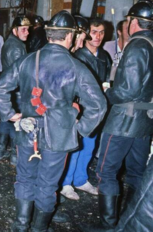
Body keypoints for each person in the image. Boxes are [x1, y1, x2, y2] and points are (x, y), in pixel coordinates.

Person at [0, 10, 107, 232]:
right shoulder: (76, 66)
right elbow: (99, 105)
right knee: (47, 184)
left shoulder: (28, 59)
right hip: (59, 135)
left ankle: (20, 225)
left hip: (27, 130)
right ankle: (38, 229)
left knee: (25, 179)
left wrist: (10, 114)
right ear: (69, 37)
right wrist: (80, 129)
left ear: (48, 35)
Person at [80, 0, 153, 232]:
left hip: (123, 121)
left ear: (132, 22)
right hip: (144, 122)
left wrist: (107, 91)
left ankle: (109, 225)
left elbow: (127, 91)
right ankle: (128, 222)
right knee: (136, 172)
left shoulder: (137, 45)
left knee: (107, 172)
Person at [60, 18, 111, 201]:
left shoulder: (104, 56)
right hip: (80, 108)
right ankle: (66, 183)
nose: (97, 36)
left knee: (89, 146)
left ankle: (80, 179)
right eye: (94, 32)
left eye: (101, 32)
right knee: (75, 146)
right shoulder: (77, 55)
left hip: (95, 109)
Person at [0, 16, 31, 164]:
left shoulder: (10, 42)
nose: (27, 32)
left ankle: (0, 150)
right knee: (17, 123)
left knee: (6, 120)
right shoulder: (16, 47)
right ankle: (15, 157)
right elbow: (21, 74)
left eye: (28, 29)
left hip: (9, 90)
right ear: (15, 30)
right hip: (16, 90)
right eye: (24, 29)